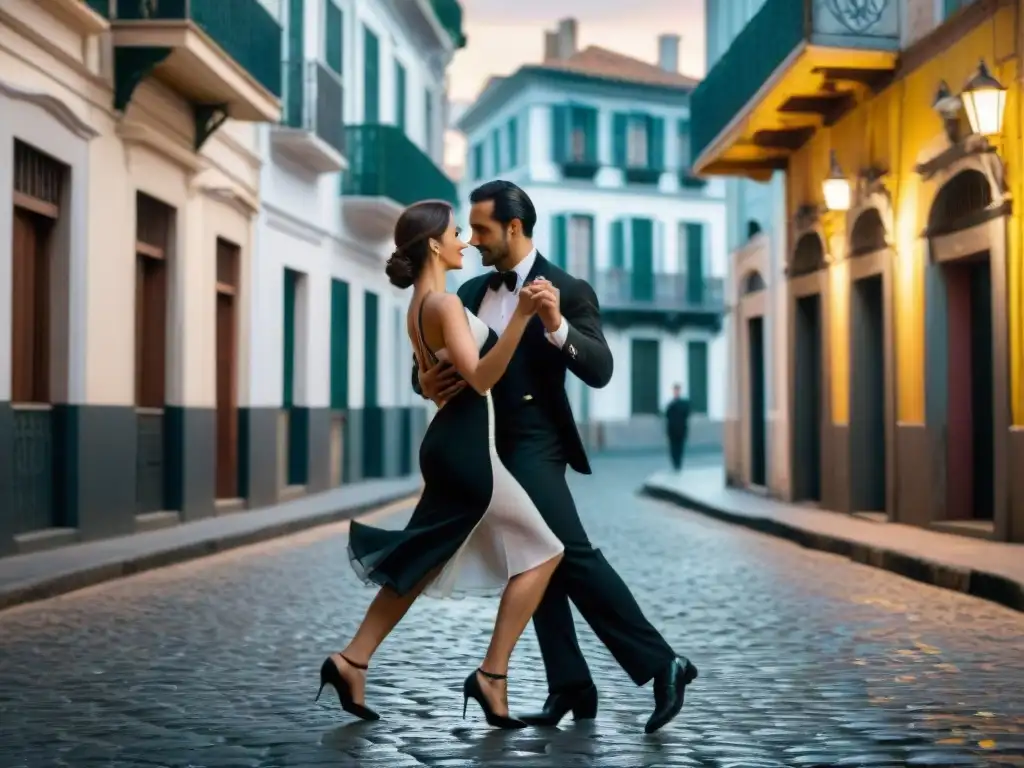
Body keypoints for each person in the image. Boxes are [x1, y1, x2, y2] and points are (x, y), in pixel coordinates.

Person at [414, 181, 698, 734]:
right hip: (484, 445)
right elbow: (435, 364)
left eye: (483, 230)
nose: (472, 241)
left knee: (568, 551)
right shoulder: (469, 292)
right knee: (533, 561)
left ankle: (663, 663)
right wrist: (425, 380)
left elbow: (600, 369)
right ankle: (570, 684)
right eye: (468, 230)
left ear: (514, 229)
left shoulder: (567, 288)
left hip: (536, 444)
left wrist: (554, 324)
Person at [317, 199, 565, 729]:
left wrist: (432, 381)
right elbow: (478, 379)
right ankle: (491, 677)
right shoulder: (445, 306)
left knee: (424, 556)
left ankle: (351, 661)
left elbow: (440, 379)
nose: (466, 241)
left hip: (452, 442)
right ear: (434, 244)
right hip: (468, 447)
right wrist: (521, 317)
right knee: (545, 552)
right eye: (458, 232)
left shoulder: (421, 305)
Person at [665, 384, 691, 472]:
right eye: (675, 390)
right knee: (673, 448)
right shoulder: (671, 404)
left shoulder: (684, 404)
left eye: (677, 390)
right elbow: (667, 417)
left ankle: (678, 464)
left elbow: (687, 414)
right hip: (672, 431)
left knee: (680, 448)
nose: (676, 392)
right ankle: (675, 464)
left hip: (681, 430)